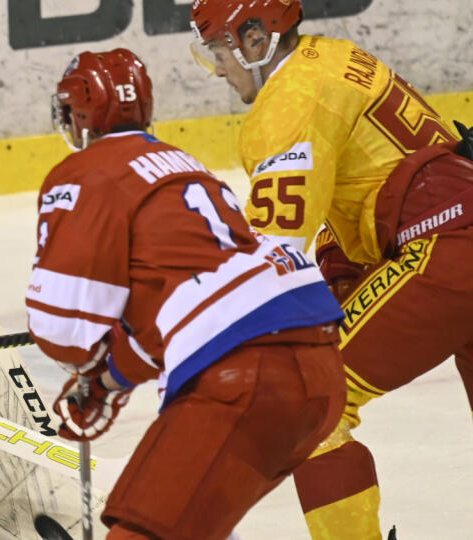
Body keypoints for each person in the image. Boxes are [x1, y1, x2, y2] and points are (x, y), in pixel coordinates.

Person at [26, 48, 347, 540]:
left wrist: (91, 361)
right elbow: (187, 307)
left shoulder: (85, 173)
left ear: (82, 111)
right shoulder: (184, 167)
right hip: (317, 374)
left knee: (145, 531)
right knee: (193, 524)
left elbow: (63, 332)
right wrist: (111, 380)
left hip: (243, 376)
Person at [189, 0, 473, 537]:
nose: (218, 69)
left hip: (449, 251)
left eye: (219, 51)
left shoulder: (287, 105)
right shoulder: (339, 57)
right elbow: (361, 201)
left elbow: (274, 256)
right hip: (458, 231)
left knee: (306, 403)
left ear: (255, 40)